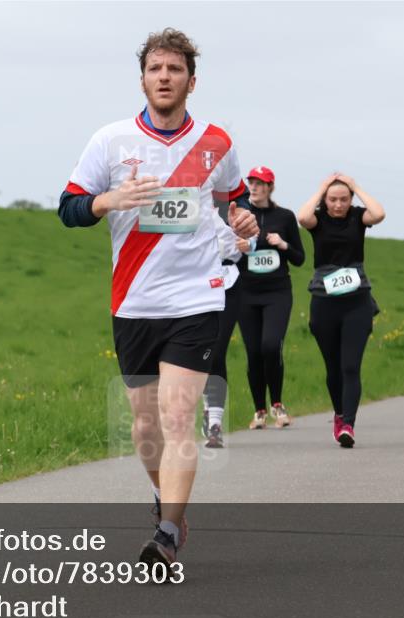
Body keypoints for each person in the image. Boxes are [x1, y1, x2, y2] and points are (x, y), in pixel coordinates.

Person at [57, 28, 258, 568]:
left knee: (177, 417)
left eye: (174, 69)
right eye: (155, 69)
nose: (164, 77)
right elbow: (68, 208)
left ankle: (167, 533)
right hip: (133, 302)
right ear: (143, 78)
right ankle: (165, 500)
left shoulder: (216, 142)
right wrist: (108, 199)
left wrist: (243, 218)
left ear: (192, 80)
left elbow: (234, 201)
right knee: (145, 427)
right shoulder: (110, 141)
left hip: (197, 299)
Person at [297, 173, 385, 448]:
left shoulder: (358, 217)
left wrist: (356, 187)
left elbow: (379, 214)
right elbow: (302, 217)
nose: (338, 205)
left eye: (343, 199)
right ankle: (338, 413)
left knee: (350, 366)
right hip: (324, 302)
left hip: (357, 301)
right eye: (333, 200)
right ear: (325, 200)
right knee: (333, 368)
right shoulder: (318, 220)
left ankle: (348, 423)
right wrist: (322, 187)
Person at [235, 166, 305, 429]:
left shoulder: (285, 217)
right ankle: (259, 411)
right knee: (253, 352)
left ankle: (277, 404)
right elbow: (226, 251)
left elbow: (299, 258)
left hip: (277, 292)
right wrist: (238, 247)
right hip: (246, 292)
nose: (254, 187)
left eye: (260, 183)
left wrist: (283, 244)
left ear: (270, 187)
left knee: (270, 345)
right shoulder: (239, 215)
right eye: (251, 182)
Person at [200, 204, 248, 449]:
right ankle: (204, 407)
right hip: (191, 281)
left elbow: (253, 239)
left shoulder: (237, 204)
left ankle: (215, 422)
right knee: (196, 352)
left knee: (216, 351)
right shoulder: (183, 194)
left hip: (227, 279)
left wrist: (248, 242)